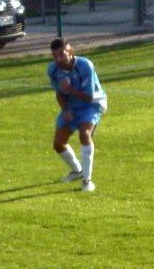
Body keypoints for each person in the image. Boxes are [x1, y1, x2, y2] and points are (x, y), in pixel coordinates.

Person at [47, 37, 107, 192]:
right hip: (71, 107)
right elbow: (59, 94)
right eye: (55, 56)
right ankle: (77, 171)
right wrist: (66, 111)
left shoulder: (85, 66)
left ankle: (87, 181)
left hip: (91, 105)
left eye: (62, 54)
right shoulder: (53, 70)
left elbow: (88, 96)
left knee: (84, 134)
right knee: (58, 144)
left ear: (71, 51)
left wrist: (69, 89)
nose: (58, 59)